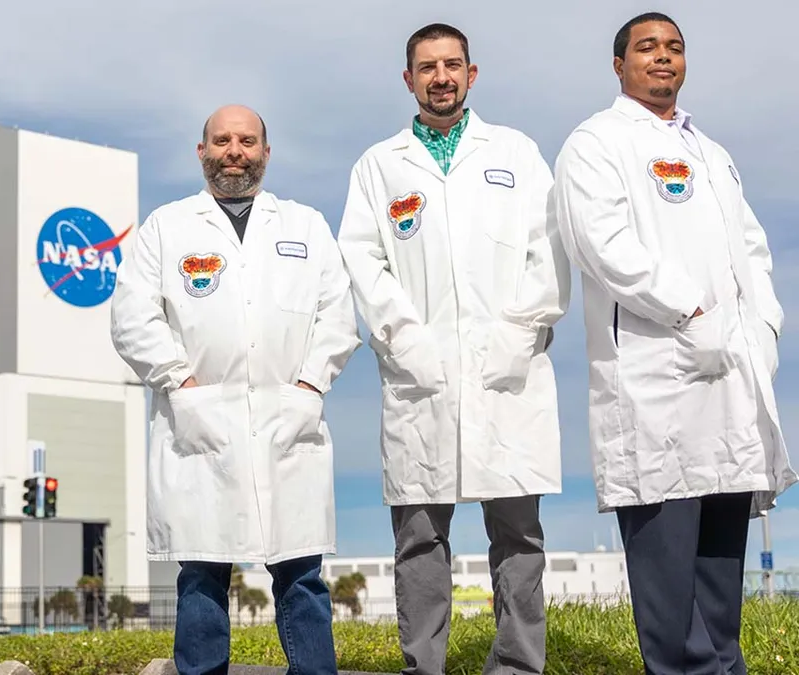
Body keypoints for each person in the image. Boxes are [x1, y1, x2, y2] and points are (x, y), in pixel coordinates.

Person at [552, 11, 797, 675]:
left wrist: (764, 327)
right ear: (619, 64)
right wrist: (692, 311)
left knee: (720, 575)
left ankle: (724, 664)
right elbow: (602, 247)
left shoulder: (710, 153)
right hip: (657, 382)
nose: (663, 58)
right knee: (670, 581)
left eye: (675, 48)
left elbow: (753, 249)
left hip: (732, 377)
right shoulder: (596, 143)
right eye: (647, 47)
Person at [335, 22, 570, 675]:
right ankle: (424, 665)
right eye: (427, 66)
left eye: (453, 64)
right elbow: (362, 259)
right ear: (408, 79)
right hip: (421, 376)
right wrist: (406, 339)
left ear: (472, 74)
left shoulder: (516, 154)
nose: (441, 76)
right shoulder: (380, 166)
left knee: (519, 532)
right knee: (419, 536)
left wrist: (518, 333)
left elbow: (548, 251)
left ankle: (519, 664)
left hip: (509, 372)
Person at [109, 104, 360, 675]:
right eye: (221, 140)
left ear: (266, 153)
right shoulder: (167, 228)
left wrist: (309, 383)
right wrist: (182, 380)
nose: (234, 151)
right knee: (201, 574)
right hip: (200, 422)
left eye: (247, 141)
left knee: (301, 574)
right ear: (201, 152)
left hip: (288, 418)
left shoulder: (305, 226)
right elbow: (132, 319)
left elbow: (337, 317)